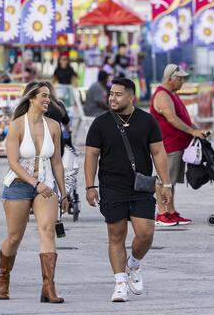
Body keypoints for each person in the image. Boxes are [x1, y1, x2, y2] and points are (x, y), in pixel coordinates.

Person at [84, 77, 172, 303]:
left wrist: (166, 183)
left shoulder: (147, 121)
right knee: (116, 235)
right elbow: (91, 155)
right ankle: (120, 282)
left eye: (118, 94)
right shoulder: (100, 123)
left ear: (131, 96)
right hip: (111, 186)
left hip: (140, 186)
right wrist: (90, 186)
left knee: (146, 233)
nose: (112, 98)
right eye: (111, 94)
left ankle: (133, 263)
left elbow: (159, 153)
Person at [0, 82, 68, 303]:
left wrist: (64, 193)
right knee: (15, 237)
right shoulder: (16, 126)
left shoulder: (54, 126)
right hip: (18, 185)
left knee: (47, 231)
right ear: (31, 98)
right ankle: (3, 277)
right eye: (44, 96)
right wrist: (35, 183)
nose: (48, 100)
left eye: (49, 96)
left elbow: (56, 162)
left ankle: (49, 287)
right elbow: (13, 163)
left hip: (46, 185)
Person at [150, 64, 207, 226]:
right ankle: (161, 214)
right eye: (180, 79)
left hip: (176, 144)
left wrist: (196, 130)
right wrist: (192, 131)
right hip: (167, 145)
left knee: (171, 180)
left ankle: (171, 211)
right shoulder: (162, 95)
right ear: (170, 79)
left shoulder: (171, 94)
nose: (183, 82)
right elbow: (172, 118)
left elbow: (181, 117)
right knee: (163, 179)